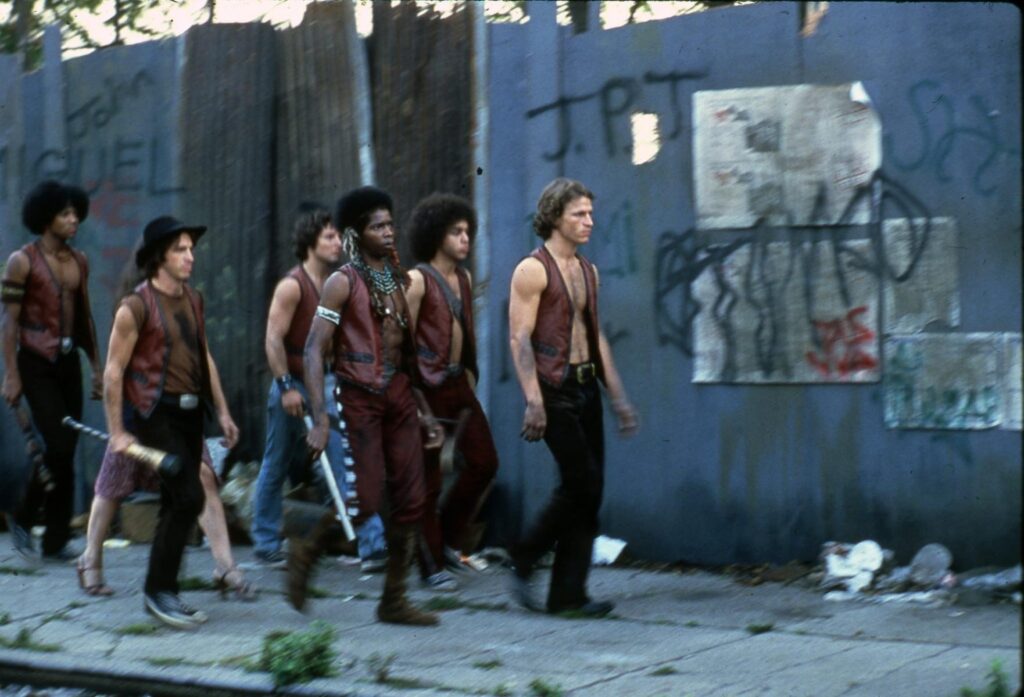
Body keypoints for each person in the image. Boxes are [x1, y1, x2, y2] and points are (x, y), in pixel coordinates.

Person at [300, 186, 444, 625]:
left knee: (411, 499)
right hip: (358, 396)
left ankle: (393, 600)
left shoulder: (399, 283)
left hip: (399, 396)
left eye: (389, 224)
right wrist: (320, 419)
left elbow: (407, 356)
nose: (387, 232)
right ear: (355, 233)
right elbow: (312, 350)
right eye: (376, 226)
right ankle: (304, 550)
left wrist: (425, 411)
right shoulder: (341, 282)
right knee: (364, 501)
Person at [507, 178, 639, 617]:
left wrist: (617, 397)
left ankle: (567, 595)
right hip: (552, 389)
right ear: (555, 217)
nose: (589, 222)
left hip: (585, 388)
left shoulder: (587, 270)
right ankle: (524, 557)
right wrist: (533, 400)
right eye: (578, 214)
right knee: (580, 482)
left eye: (590, 213)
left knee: (590, 490)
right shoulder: (533, 269)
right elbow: (519, 339)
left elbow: (594, 336)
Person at [103, 215, 239, 629]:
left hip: (190, 412)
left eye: (190, 249)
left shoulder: (193, 299)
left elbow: (205, 356)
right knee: (189, 495)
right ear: (159, 256)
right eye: (180, 249)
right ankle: (157, 591)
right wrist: (117, 432)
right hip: (152, 412)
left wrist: (222, 411)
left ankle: (165, 590)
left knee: (178, 500)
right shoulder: (136, 306)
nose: (189, 256)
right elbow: (113, 372)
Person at [251, 203, 386, 570]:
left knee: (346, 457)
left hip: (325, 382)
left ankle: (372, 545)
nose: (338, 242)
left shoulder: (338, 283)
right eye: (330, 236)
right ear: (311, 241)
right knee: (276, 462)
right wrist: (285, 387)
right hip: (291, 381)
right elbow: (272, 340)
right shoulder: (292, 286)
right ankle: (265, 541)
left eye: (339, 236)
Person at [1, 181, 101, 561]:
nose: (74, 219)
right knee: (58, 444)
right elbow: (8, 324)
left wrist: (95, 366)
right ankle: (24, 516)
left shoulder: (79, 262)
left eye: (76, 213)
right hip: (33, 361)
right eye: (65, 214)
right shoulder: (21, 261)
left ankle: (55, 538)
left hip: (67, 361)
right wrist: (11, 374)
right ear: (46, 219)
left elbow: (84, 318)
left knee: (66, 448)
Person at [405, 193, 499, 591]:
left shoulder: (461, 278)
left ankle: (444, 541)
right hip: (427, 387)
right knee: (428, 480)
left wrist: (472, 375)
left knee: (484, 462)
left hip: (459, 383)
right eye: (455, 232)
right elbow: (399, 345)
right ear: (434, 234)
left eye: (468, 232)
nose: (465, 239)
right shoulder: (417, 279)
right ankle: (429, 565)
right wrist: (416, 404)